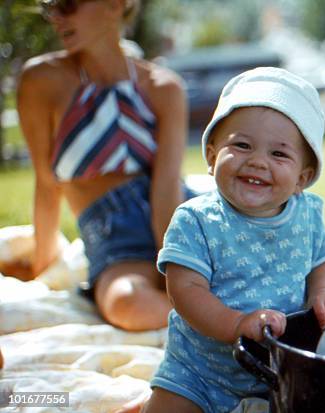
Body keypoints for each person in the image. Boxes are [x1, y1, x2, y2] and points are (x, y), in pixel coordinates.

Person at [142, 67, 325, 413]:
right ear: (212, 156)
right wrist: (237, 324)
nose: (257, 161)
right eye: (241, 145)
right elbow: (185, 291)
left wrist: (323, 291)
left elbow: (322, 260)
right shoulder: (197, 219)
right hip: (199, 374)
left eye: (279, 154)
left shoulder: (308, 215)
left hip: (280, 371)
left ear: (303, 177)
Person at [16, 0, 193, 331]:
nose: (56, 16)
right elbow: (46, 184)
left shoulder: (164, 87)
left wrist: (177, 268)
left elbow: (167, 187)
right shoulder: (42, 81)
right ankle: (219, 329)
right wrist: (42, 274)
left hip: (178, 221)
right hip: (114, 238)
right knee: (130, 304)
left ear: (115, 4)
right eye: (51, 6)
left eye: (68, 4)